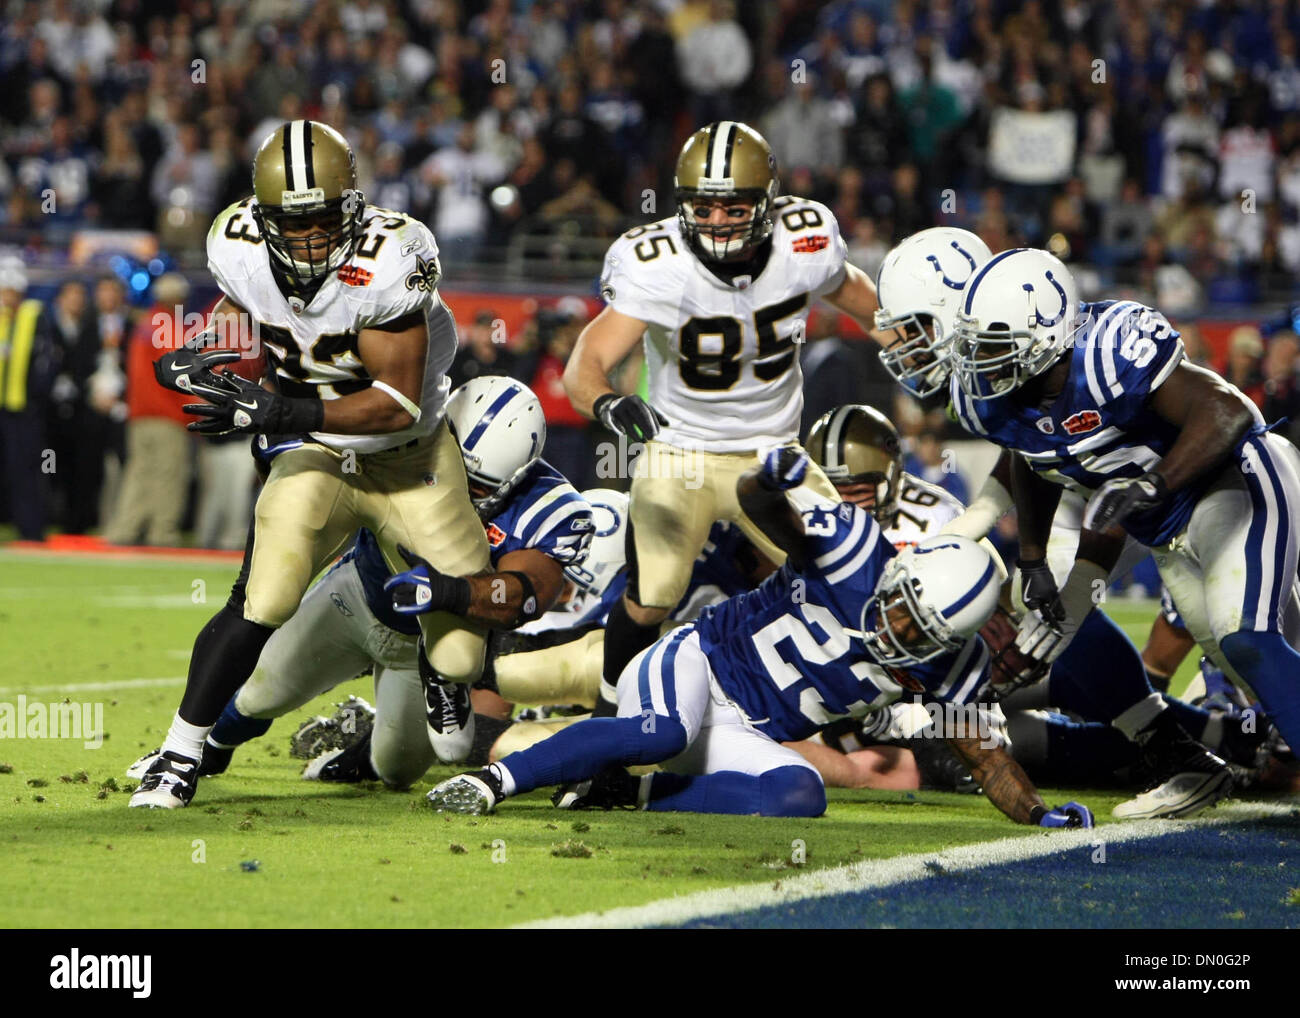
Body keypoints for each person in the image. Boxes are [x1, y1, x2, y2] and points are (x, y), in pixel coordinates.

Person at [429, 450, 1091, 829]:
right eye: (903, 608)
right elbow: (771, 512)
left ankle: (624, 793)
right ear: (902, 574)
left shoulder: (957, 665)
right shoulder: (857, 553)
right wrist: (766, 483)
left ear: (956, 640)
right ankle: (493, 781)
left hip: (746, 727)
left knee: (799, 797)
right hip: (696, 663)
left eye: (922, 632)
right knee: (661, 731)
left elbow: (990, 763)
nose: (898, 628)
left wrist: (1037, 815)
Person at [132, 120, 490, 809]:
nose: (308, 241)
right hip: (318, 454)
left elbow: (393, 404)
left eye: (323, 222)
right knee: (260, 600)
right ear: (263, 221)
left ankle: (440, 671)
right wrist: (200, 354)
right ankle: (180, 753)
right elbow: (250, 310)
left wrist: (280, 412)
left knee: (460, 653)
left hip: (411, 462)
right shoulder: (238, 245)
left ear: (353, 209)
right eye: (291, 227)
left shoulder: (394, 256)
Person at [562, 120, 882, 735]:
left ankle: (850, 724)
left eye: (732, 207)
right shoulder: (656, 263)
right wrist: (607, 404)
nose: (716, 222)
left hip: (774, 455)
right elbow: (587, 362)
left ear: (766, 203)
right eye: (702, 208)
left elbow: (856, 294)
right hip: (680, 451)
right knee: (651, 598)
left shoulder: (805, 240)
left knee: (852, 583)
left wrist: (902, 338)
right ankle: (607, 723)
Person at [130, 377, 591, 788]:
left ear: (516, 478)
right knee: (256, 695)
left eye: (475, 485)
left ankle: (377, 731)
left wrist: (448, 591)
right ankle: (202, 754)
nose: (454, 484)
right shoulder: (403, 439)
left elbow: (523, 599)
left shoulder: (548, 507)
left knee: (405, 767)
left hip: (427, 642)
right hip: (357, 596)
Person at [949, 247, 1300, 762]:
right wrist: (1032, 557)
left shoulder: (1107, 352)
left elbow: (1228, 412)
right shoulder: (999, 403)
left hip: (1232, 480)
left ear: (1046, 329)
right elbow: (1032, 458)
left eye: (996, 343)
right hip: (1165, 531)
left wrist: (1155, 483)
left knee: (1246, 637)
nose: (981, 360)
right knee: (1240, 658)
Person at [102, 273, 194, 547]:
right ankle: (161, 533)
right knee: (168, 474)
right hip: (169, 415)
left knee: (138, 472)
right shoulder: (171, 328)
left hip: (139, 414)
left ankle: (124, 529)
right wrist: (196, 408)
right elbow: (180, 375)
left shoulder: (143, 326)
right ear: (176, 299)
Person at [0, 256, 55, 541]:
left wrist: (36, 398)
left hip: (23, 409)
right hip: (3, 407)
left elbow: (43, 364)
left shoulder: (34, 315)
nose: (8, 296)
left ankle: (31, 530)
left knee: (26, 472)